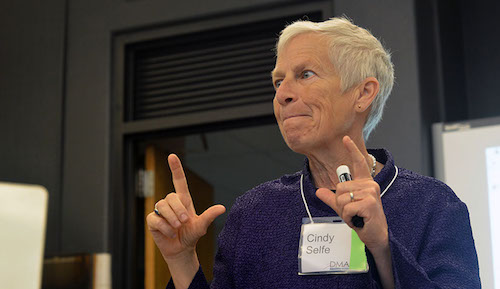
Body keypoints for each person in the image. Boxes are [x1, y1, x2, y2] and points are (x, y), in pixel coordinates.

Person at [147, 17, 481, 289]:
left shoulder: (434, 206)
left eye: (305, 75)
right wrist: (181, 260)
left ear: (363, 93)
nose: (283, 95)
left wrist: (382, 247)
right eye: (278, 82)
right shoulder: (254, 212)